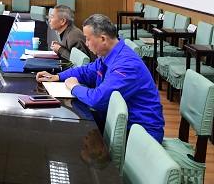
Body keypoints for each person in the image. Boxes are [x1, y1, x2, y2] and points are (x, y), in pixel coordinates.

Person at [36, 14, 165, 142]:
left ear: (103, 39)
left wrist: (75, 87)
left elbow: (98, 100)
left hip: (141, 135)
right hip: (119, 124)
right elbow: (86, 72)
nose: (86, 44)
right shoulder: (109, 55)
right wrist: (57, 76)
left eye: (88, 39)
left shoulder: (126, 65)